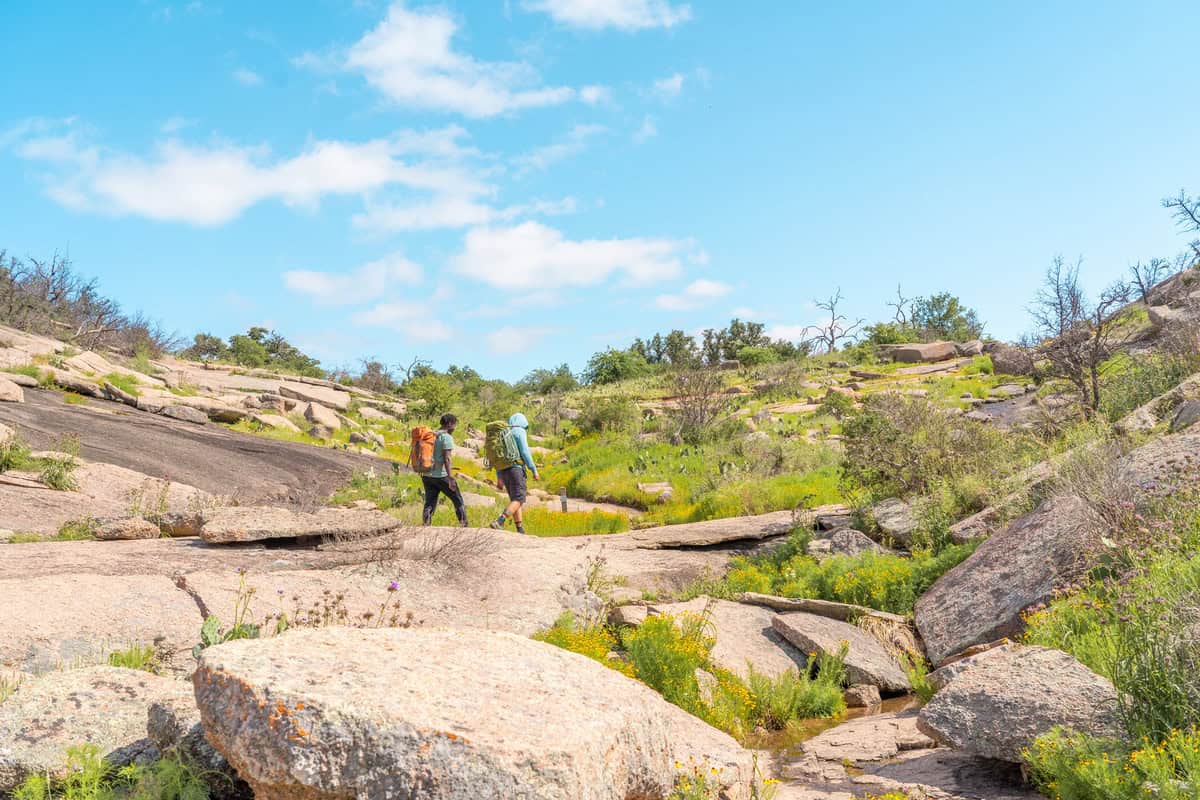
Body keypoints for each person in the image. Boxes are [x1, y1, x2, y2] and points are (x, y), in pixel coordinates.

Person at [489, 412, 540, 534]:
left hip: (503, 470)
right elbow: (524, 452)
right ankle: (500, 520)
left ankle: (519, 529)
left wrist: (499, 477)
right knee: (519, 499)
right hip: (515, 469)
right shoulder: (519, 431)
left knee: (514, 500)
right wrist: (534, 469)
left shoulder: (503, 432)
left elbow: (498, 456)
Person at [422, 413, 468, 527]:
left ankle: (426, 524)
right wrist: (451, 478)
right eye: (454, 425)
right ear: (449, 424)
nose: (455, 428)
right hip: (441, 475)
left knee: (430, 501)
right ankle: (464, 525)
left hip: (427, 475)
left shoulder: (432, 435)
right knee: (457, 499)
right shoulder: (446, 437)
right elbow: (447, 459)